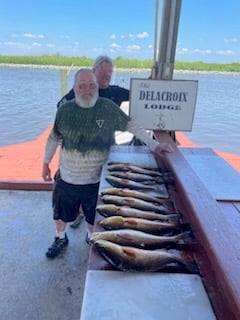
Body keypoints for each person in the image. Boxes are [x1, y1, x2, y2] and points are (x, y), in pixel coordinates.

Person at [42, 68, 174, 259]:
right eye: (82, 85)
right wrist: (45, 163)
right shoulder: (64, 110)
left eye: (91, 85)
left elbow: (134, 127)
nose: (87, 89)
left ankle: (91, 237)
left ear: (97, 87)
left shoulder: (108, 108)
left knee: (92, 216)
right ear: (75, 88)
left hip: (97, 178)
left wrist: (155, 146)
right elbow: (53, 138)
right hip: (67, 177)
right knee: (60, 215)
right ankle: (60, 237)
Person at [58, 55, 130, 229]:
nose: (107, 76)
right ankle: (79, 213)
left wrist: (151, 82)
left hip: (108, 148)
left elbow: (141, 94)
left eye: (109, 73)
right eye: (103, 72)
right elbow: (60, 107)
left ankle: (97, 217)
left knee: (103, 184)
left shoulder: (114, 92)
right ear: (93, 71)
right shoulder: (82, 91)